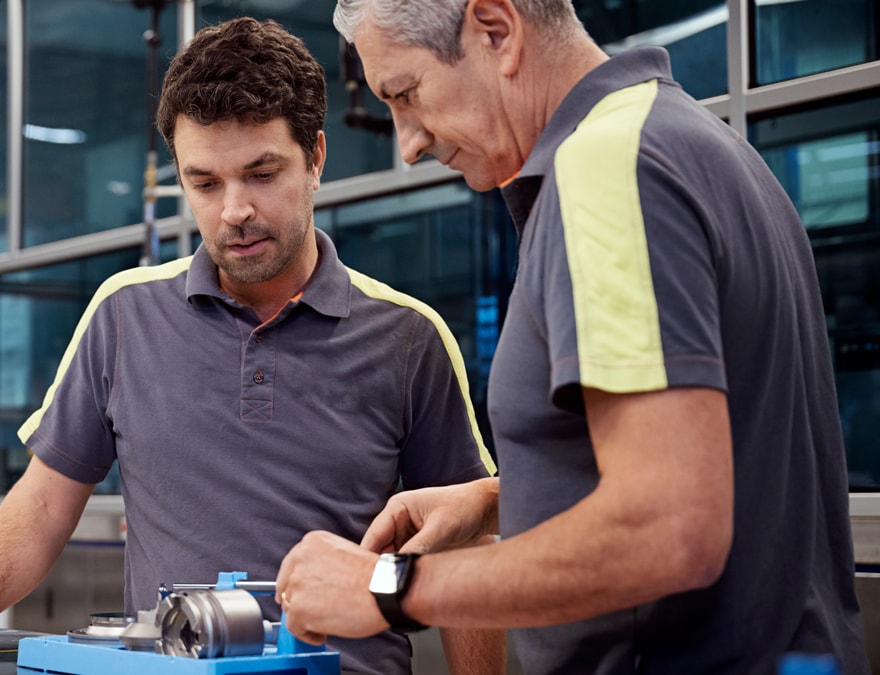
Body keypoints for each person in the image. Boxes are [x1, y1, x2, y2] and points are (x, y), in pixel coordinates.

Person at [0, 16, 502, 675]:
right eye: (205, 183)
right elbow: (43, 502)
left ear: (316, 157)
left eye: (261, 173)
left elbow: (461, 544)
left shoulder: (408, 336)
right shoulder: (124, 314)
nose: (234, 210)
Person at [276, 1, 871, 673]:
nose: (409, 144)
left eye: (406, 95)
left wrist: (389, 589)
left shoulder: (604, 170)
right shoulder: (711, 150)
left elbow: (669, 529)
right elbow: (730, 455)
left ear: (496, 30)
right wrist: (503, 499)